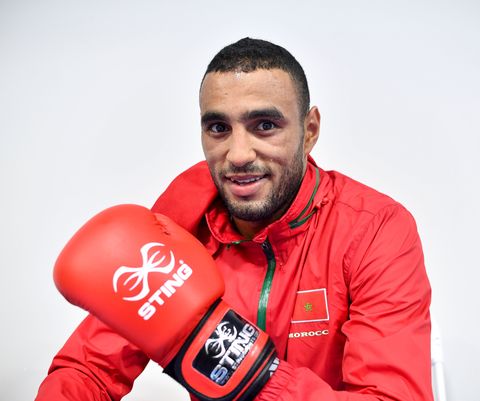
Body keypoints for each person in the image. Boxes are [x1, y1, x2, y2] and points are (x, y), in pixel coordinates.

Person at [36, 38, 433, 401]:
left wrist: (243, 366)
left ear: (309, 131)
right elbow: (89, 369)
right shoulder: (180, 224)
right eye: (219, 128)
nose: (238, 154)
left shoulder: (374, 229)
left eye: (265, 126)